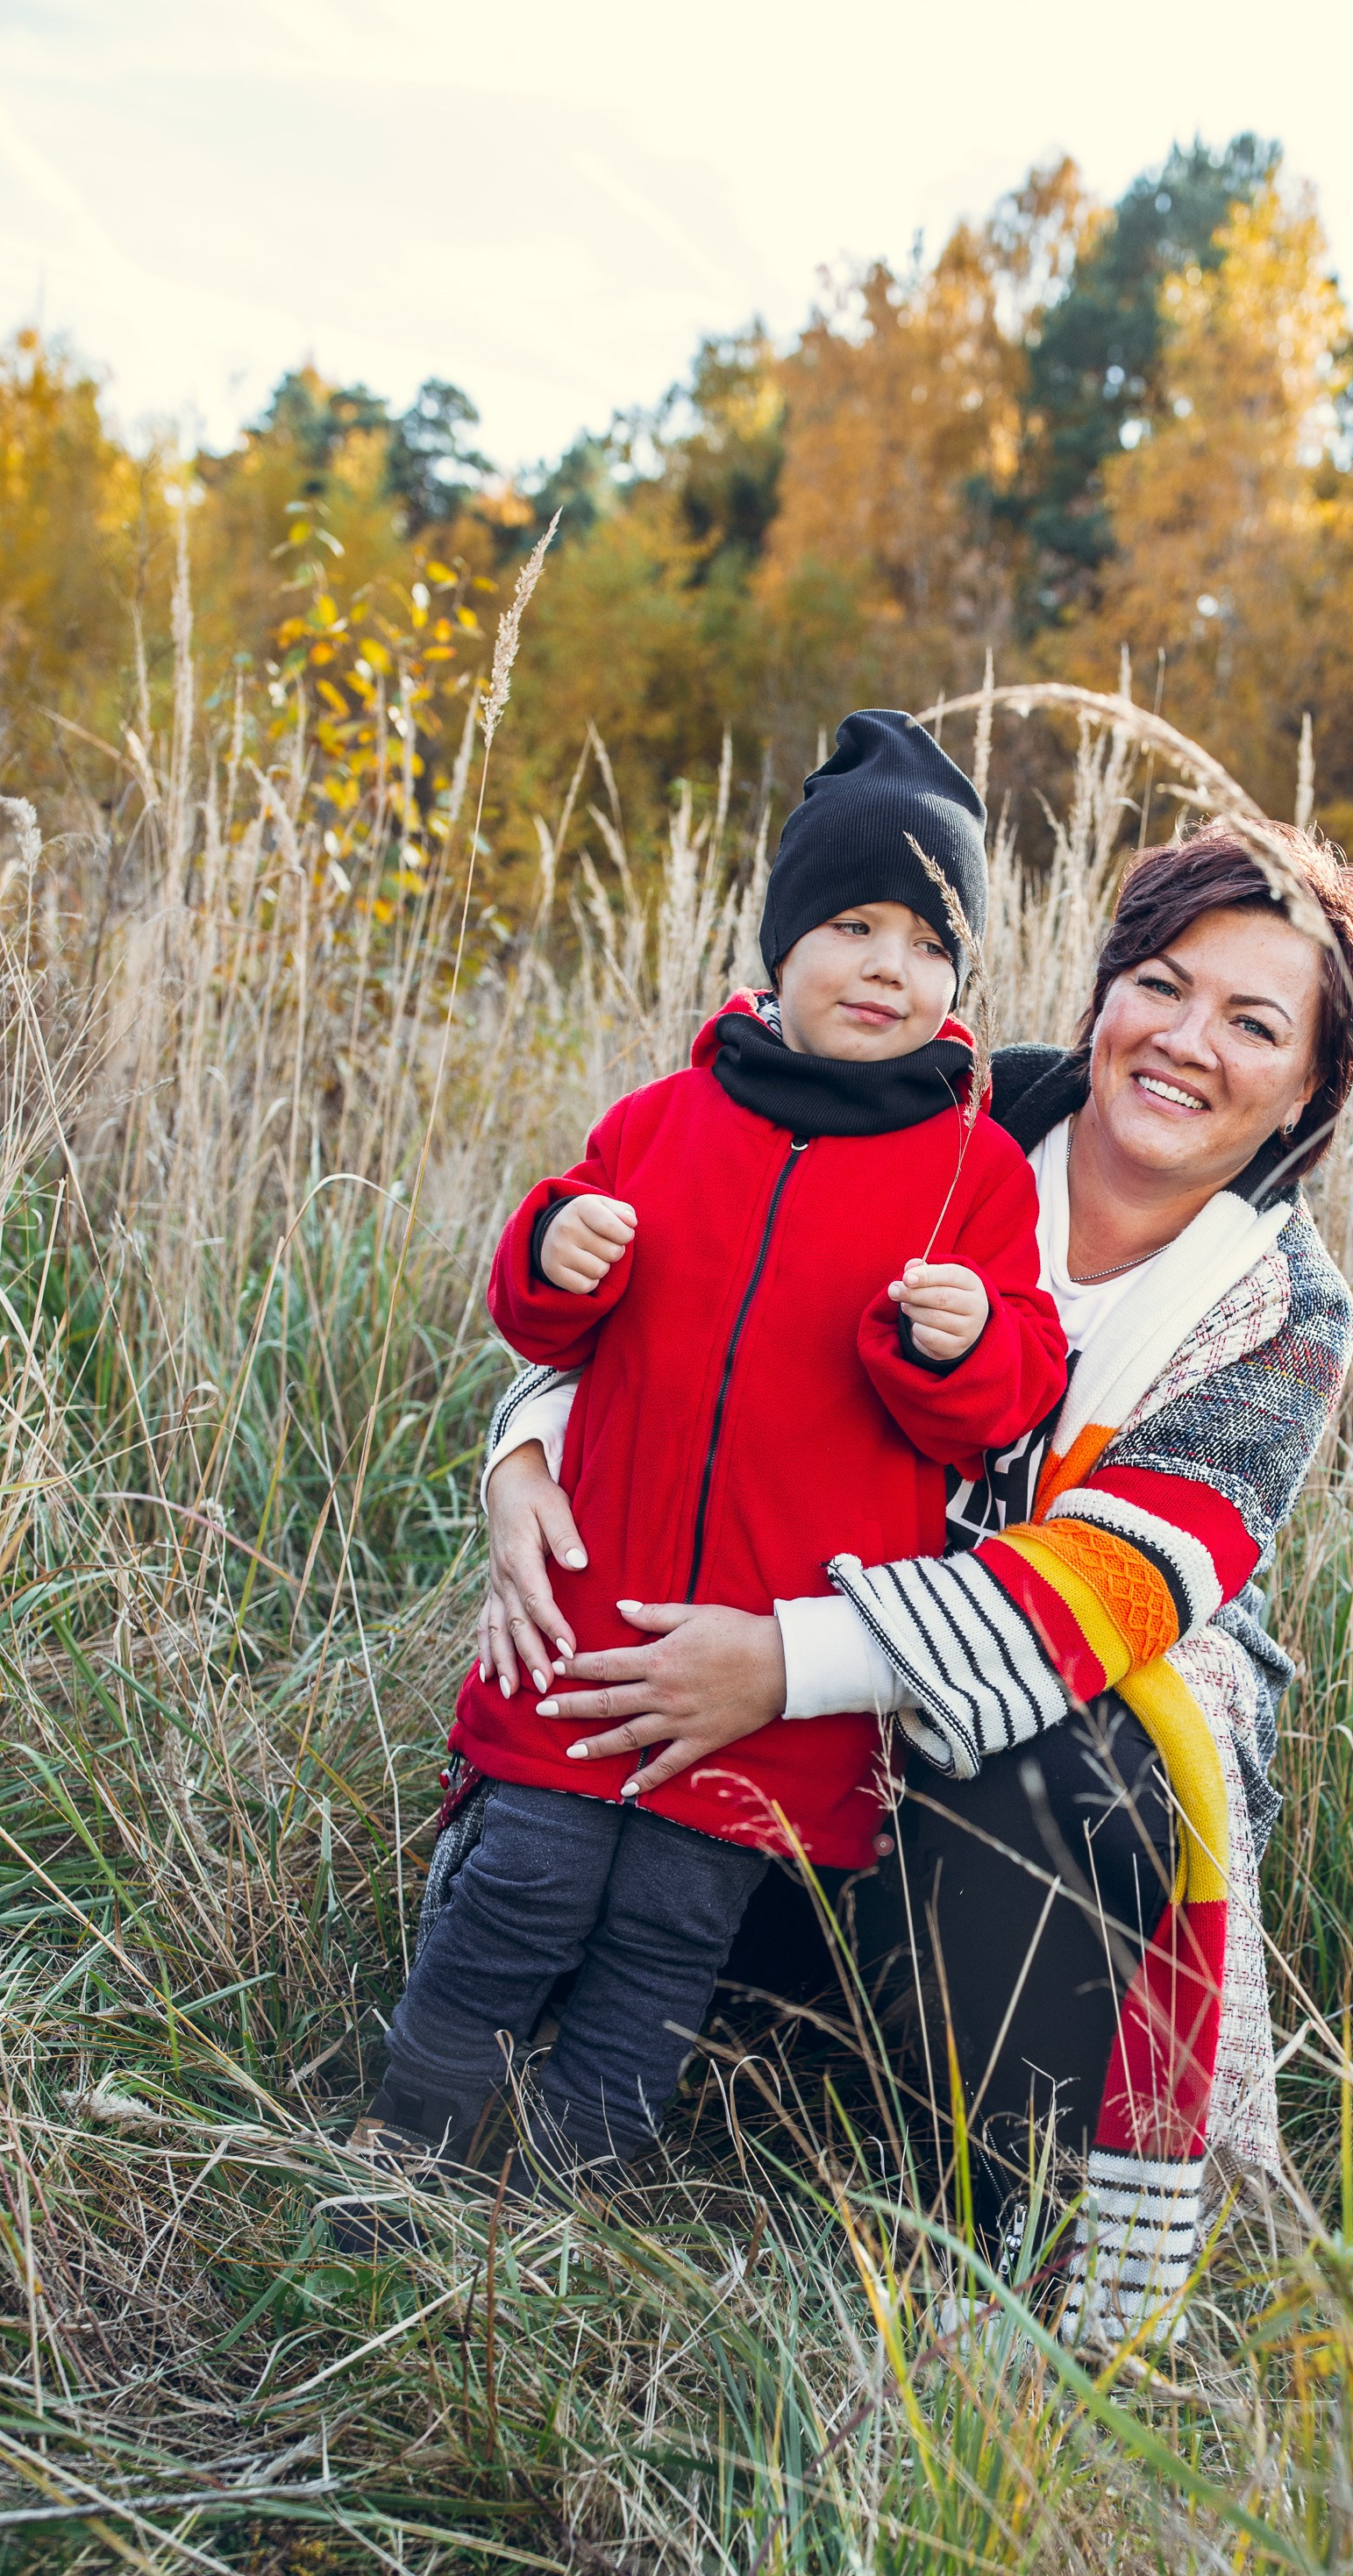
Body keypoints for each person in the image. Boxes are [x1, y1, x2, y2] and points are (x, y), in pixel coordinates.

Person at [469, 816, 1353, 2340]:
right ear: (1100, 995)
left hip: (972, 1794)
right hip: (754, 1738)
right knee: (578, 1777)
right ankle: (593, 2020)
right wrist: (525, 1446)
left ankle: (986, 2205)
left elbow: (1112, 1582)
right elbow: (683, 1283)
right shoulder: (934, 1116)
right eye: (1157, 984)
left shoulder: (1278, 1305)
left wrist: (777, 1661)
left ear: (1310, 1087)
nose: (1183, 1043)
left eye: (1253, 1022)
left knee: (1088, 1748)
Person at [343, 713, 1065, 2210]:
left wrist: (955, 1344)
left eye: (928, 943)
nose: (886, 966)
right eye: (851, 925)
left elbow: (1005, 1404)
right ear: (779, 947)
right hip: (591, 1629)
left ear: (959, 980)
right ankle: (404, 2158)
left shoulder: (973, 1171)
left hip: (774, 1679)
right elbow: (536, 1320)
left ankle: (561, 2204)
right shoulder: (662, 1122)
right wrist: (556, 1243)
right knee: (515, 1896)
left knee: (670, 1939)